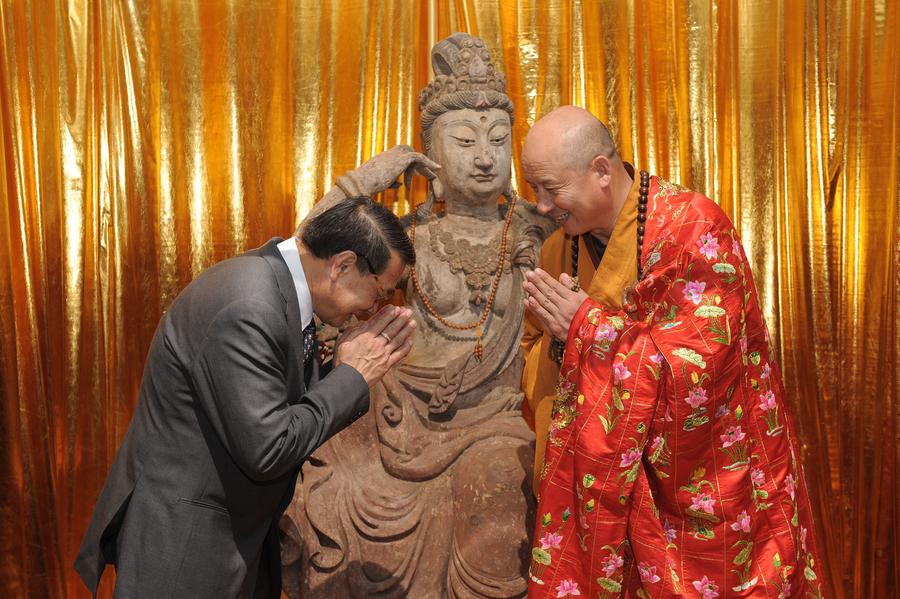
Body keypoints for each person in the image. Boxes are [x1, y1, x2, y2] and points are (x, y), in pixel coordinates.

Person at [280, 33, 555, 598]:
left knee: (499, 484)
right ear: (432, 154)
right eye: (465, 140)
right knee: (334, 488)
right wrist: (366, 180)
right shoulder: (410, 238)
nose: (485, 157)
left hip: (494, 417)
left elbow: (610, 234)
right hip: (399, 414)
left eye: (499, 140)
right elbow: (310, 257)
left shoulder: (537, 230)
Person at [519, 106, 823, 598]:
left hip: (708, 486)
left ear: (601, 170)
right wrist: (563, 342)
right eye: (534, 189)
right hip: (608, 489)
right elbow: (536, 357)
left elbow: (702, 373)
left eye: (551, 189)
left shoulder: (694, 230)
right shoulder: (559, 250)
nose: (541, 205)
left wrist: (587, 329)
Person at [74, 196, 424, 598]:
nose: (371, 310)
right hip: (186, 548)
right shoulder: (250, 305)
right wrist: (352, 377)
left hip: (224, 539)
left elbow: (277, 409)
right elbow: (269, 448)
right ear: (343, 265)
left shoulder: (275, 289)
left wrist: (339, 370)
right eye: (378, 294)